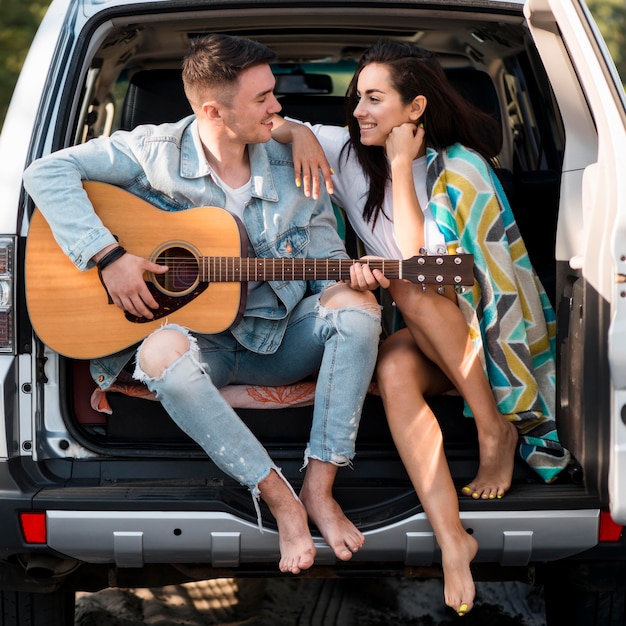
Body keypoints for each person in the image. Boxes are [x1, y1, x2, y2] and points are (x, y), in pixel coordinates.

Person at [22, 34, 383, 576]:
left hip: (280, 338)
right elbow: (43, 172)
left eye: (274, 94)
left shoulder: (296, 165)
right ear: (214, 110)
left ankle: (319, 487)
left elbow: (326, 257)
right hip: (199, 345)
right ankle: (280, 499)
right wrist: (109, 256)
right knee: (161, 355)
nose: (278, 108)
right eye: (262, 98)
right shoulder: (152, 152)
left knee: (356, 308)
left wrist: (344, 282)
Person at [272, 40, 570, 615]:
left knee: (410, 282)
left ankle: (494, 430)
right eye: (357, 97)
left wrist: (403, 167)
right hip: (432, 336)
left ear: (415, 109)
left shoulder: (460, 166)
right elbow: (266, 123)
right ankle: (452, 538)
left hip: (480, 333)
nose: (357, 110)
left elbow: (422, 258)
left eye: (374, 98)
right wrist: (305, 135)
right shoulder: (345, 150)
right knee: (392, 365)